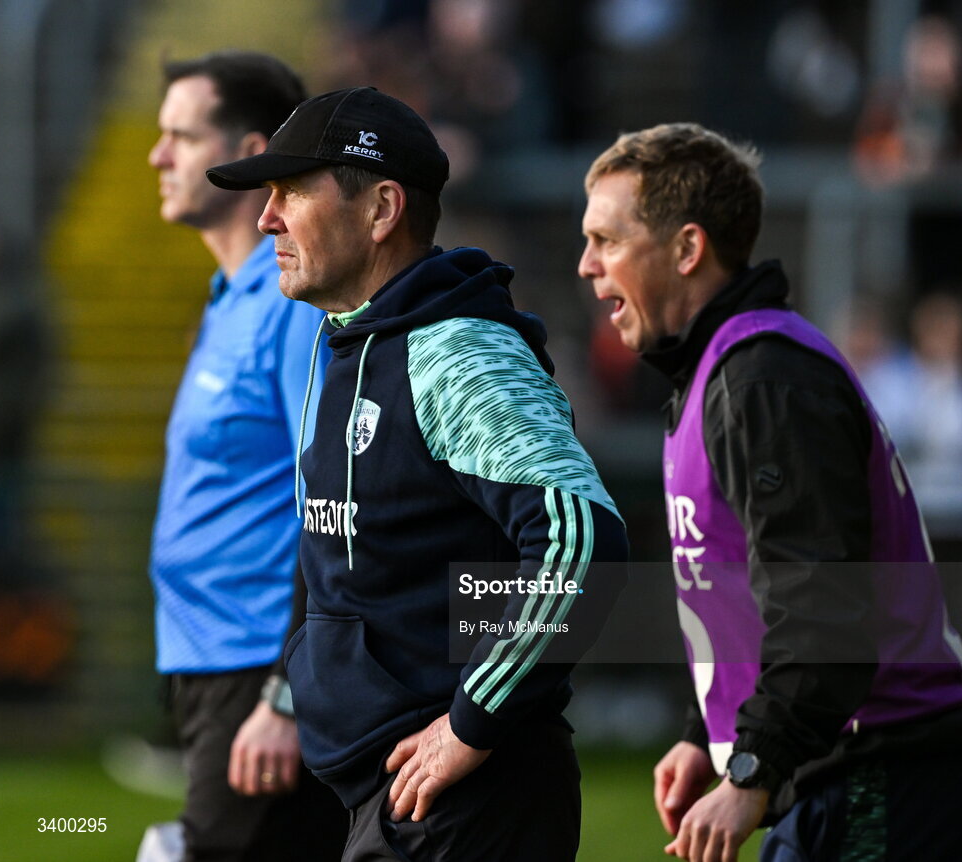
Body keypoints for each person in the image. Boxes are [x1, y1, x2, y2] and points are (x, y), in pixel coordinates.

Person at [206, 85, 629, 861]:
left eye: (291, 192)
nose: (266, 218)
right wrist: (288, 693)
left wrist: (472, 725)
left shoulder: (453, 350)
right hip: (396, 798)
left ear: (382, 209)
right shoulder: (343, 343)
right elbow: (336, 553)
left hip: (463, 801)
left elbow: (582, 542)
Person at [578, 123, 962, 862]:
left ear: (686, 248)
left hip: (881, 775)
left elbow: (824, 607)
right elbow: (748, 597)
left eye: (607, 239)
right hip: (854, 767)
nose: (586, 265)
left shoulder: (762, 381)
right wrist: (704, 732)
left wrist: (752, 768)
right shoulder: (720, 372)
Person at [143, 51, 347, 861]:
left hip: (259, 668)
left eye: (180, 137)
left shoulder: (291, 302)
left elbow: (333, 499)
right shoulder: (229, 297)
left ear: (249, 156)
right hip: (207, 668)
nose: (157, 156)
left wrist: (288, 694)